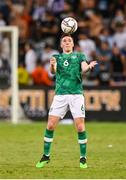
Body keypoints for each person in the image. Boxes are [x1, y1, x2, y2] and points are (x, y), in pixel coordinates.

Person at [36, 34, 97, 169]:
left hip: (76, 95)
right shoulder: (57, 57)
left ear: (73, 44)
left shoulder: (80, 56)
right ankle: (46, 156)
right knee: (50, 125)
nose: (67, 42)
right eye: (65, 41)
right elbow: (53, 72)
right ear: (61, 45)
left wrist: (89, 66)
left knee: (80, 127)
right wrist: (52, 65)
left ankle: (83, 158)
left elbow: (84, 69)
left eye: (70, 40)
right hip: (60, 95)